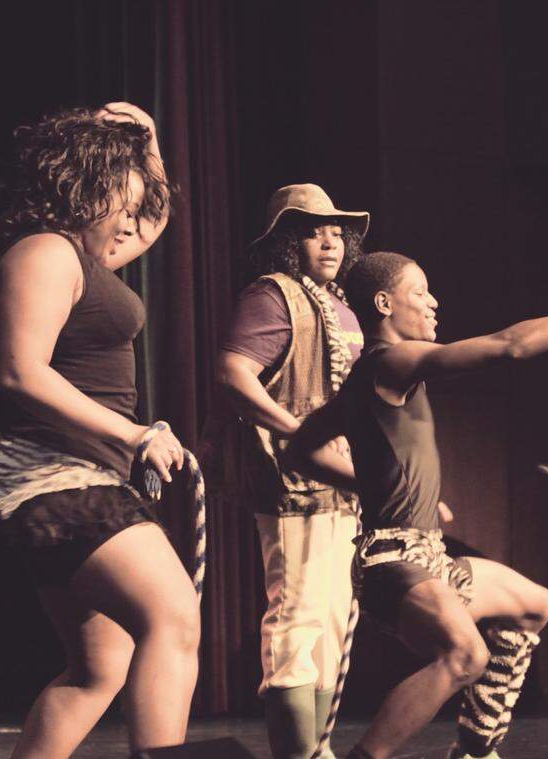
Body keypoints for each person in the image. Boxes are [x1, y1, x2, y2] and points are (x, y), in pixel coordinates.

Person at [285, 251, 548, 759]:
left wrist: (382, 486)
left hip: (426, 555)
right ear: (383, 303)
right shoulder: (390, 362)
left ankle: (476, 748)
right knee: (466, 655)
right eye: (420, 292)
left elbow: (301, 450)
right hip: (394, 562)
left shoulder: (362, 383)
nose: (433, 302)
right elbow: (511, 346)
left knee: (533, 606)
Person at [0, 102, 199, 758]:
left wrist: (148, 142)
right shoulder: (44, 251)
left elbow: (155, 217)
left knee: (98, 669)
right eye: (119, 204)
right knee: (173, 615)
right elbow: (20, 372)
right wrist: (133, 434)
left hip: (77, 472)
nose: (132, 220)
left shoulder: (89, 257)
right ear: (86, 190)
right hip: (53, 471)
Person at [203, 184, 367, 758]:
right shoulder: (273, 296)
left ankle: (317, 749)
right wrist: (294, 430)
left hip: (342, 487)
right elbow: (233, 373)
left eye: (335, 231)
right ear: (286, 242)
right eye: (312, 229)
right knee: (297, 614)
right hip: (294, 484)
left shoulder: (341, 305)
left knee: (328, 624)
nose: (329, 240)